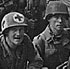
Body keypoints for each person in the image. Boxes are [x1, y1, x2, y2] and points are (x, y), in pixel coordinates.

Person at [33, 1, 70, 69]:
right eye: (56, 17)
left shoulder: (68, 35)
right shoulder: (40, 41)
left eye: (63, 17)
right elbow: (34, 65)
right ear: (48, 18)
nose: (60, 20)